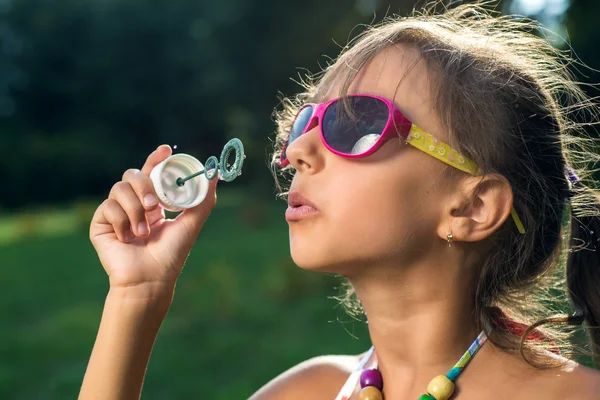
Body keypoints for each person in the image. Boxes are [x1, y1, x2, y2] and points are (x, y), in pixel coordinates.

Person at [79, 4, 600, 399]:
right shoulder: (308, 391)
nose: (296, 151)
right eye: (306, 122)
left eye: (356, 124)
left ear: (473, 207)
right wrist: (137, 296)